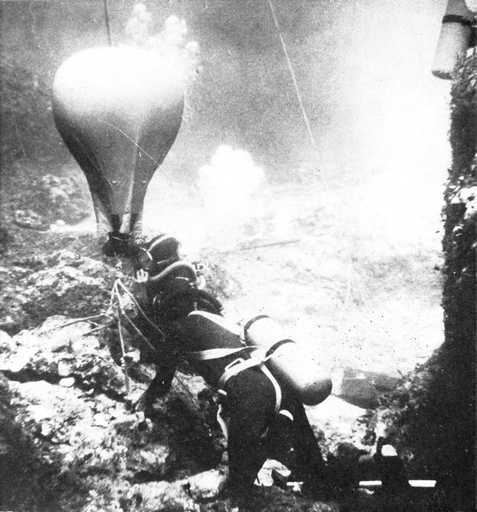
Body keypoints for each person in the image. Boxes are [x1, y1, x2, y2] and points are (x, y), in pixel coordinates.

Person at [129, 234, 332, 495]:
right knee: (312, 468)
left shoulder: (181, 326)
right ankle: (320, 481)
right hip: (278, 386)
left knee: (238, 490)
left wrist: (147, 394)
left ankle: (270, 451)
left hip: (251, 396)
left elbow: (165, 374)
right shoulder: (213, 319)